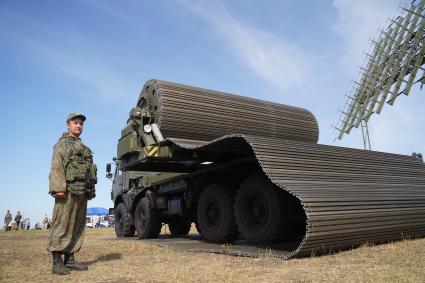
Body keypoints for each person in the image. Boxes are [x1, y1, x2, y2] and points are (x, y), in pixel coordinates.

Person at [47, 112, 97, 275]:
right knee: (61, 224)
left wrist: (90, 189)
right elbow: (57, 166)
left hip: (81, 191)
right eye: (75, 123)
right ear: (68, 124)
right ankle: (56, 262)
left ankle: (70, 259)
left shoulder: (83, 147)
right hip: (67, 191)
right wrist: (58, 188)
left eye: (81, 123)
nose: (78, 126)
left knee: (77, 225)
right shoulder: (62, 144)